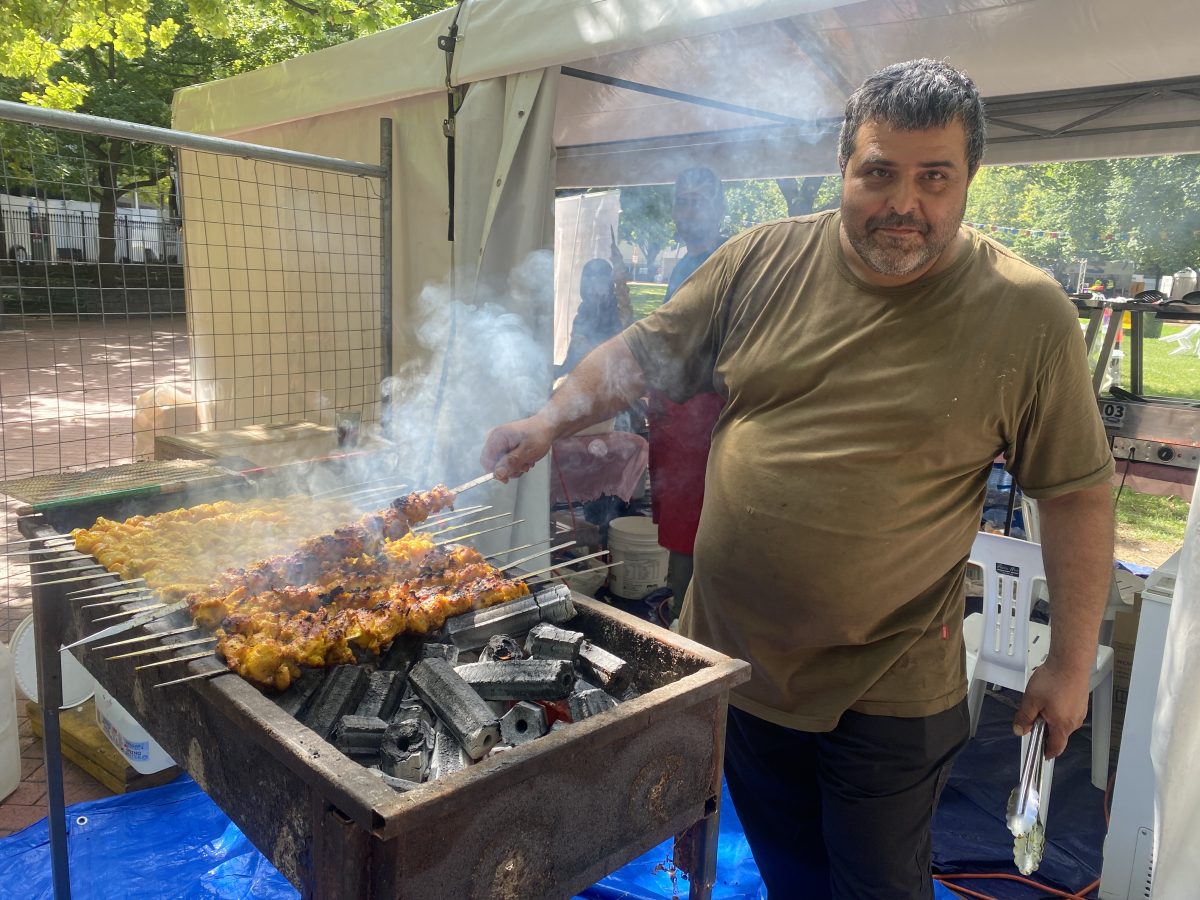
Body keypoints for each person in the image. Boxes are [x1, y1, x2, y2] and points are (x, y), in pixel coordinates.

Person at [481, 58, 1114, 899]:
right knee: (788, 874)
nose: (904, 203)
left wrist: (1068, 667)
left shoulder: (1026, 313)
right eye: (879, 172)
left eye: (935, 178)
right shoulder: (760, 262)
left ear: (969, 181)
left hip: (888, 688)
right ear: (842, 168)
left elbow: (1073, 493)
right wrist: (546, 420)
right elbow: (642, 353)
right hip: (735, 663)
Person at [652, 167, 726, 622]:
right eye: (682, 201)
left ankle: (692, 623)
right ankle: (681, 609)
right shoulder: (681, 264)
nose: (688, 210)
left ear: (719, 207)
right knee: (677, 525)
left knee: (705, 531)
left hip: (710, 422)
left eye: (699, 199)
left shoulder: (729, 259)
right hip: (674, 423)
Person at [556, 257, 628, 377]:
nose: (592, 291)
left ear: (609, 286)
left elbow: (622, 363)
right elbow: (570, 365)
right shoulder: (582, 316)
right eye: (588, 285)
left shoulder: (620, 316)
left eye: (599, 283)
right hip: (582, 383)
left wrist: (590, 351)